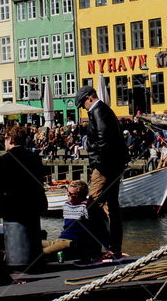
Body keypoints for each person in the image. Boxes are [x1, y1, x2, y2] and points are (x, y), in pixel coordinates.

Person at [76, 85, 128, 259]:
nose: (83, 107)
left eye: (82, 103)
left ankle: (94, 248)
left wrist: (98, 164)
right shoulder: (104, 110)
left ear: (89, 98)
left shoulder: (98, 111)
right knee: (112, 206)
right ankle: (114, 248)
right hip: (114, 164)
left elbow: (104, 139)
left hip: (105, 166)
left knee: (92, 205)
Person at [0, 125, 49, 268]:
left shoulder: (4, 160)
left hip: (12, 207)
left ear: (9, 139)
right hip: (35, 204)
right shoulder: (34, 157)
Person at [42, 180, 108, 261]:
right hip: (60, 240)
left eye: (72, 194)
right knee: (30, 245)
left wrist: (108, 248)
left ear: (81, 195)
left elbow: (101, 228)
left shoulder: (87, 207)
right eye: (68, 192)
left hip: (73, 243)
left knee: (40, 253)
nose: (68, 195)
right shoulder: (66, 205)